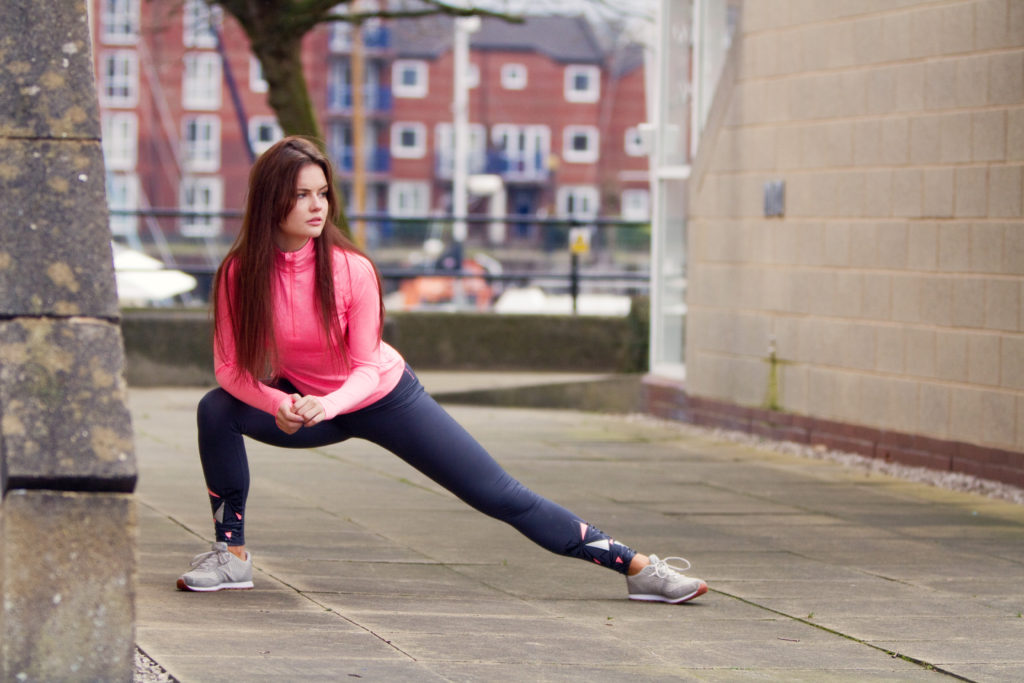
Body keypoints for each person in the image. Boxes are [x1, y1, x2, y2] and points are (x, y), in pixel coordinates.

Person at [176, 136, 707, 605]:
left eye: (322, 193)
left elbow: (365, 368)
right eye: (301, 195)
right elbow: (229, 367)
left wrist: (326, 405)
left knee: (499, 494)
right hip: (308, 405)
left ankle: (638, 567)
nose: (317, 206)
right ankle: (231, 555)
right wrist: (279, 403)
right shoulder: (239, 273)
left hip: (382, 398)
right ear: (271, 200)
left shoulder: (351, 269)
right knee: (216, 410)